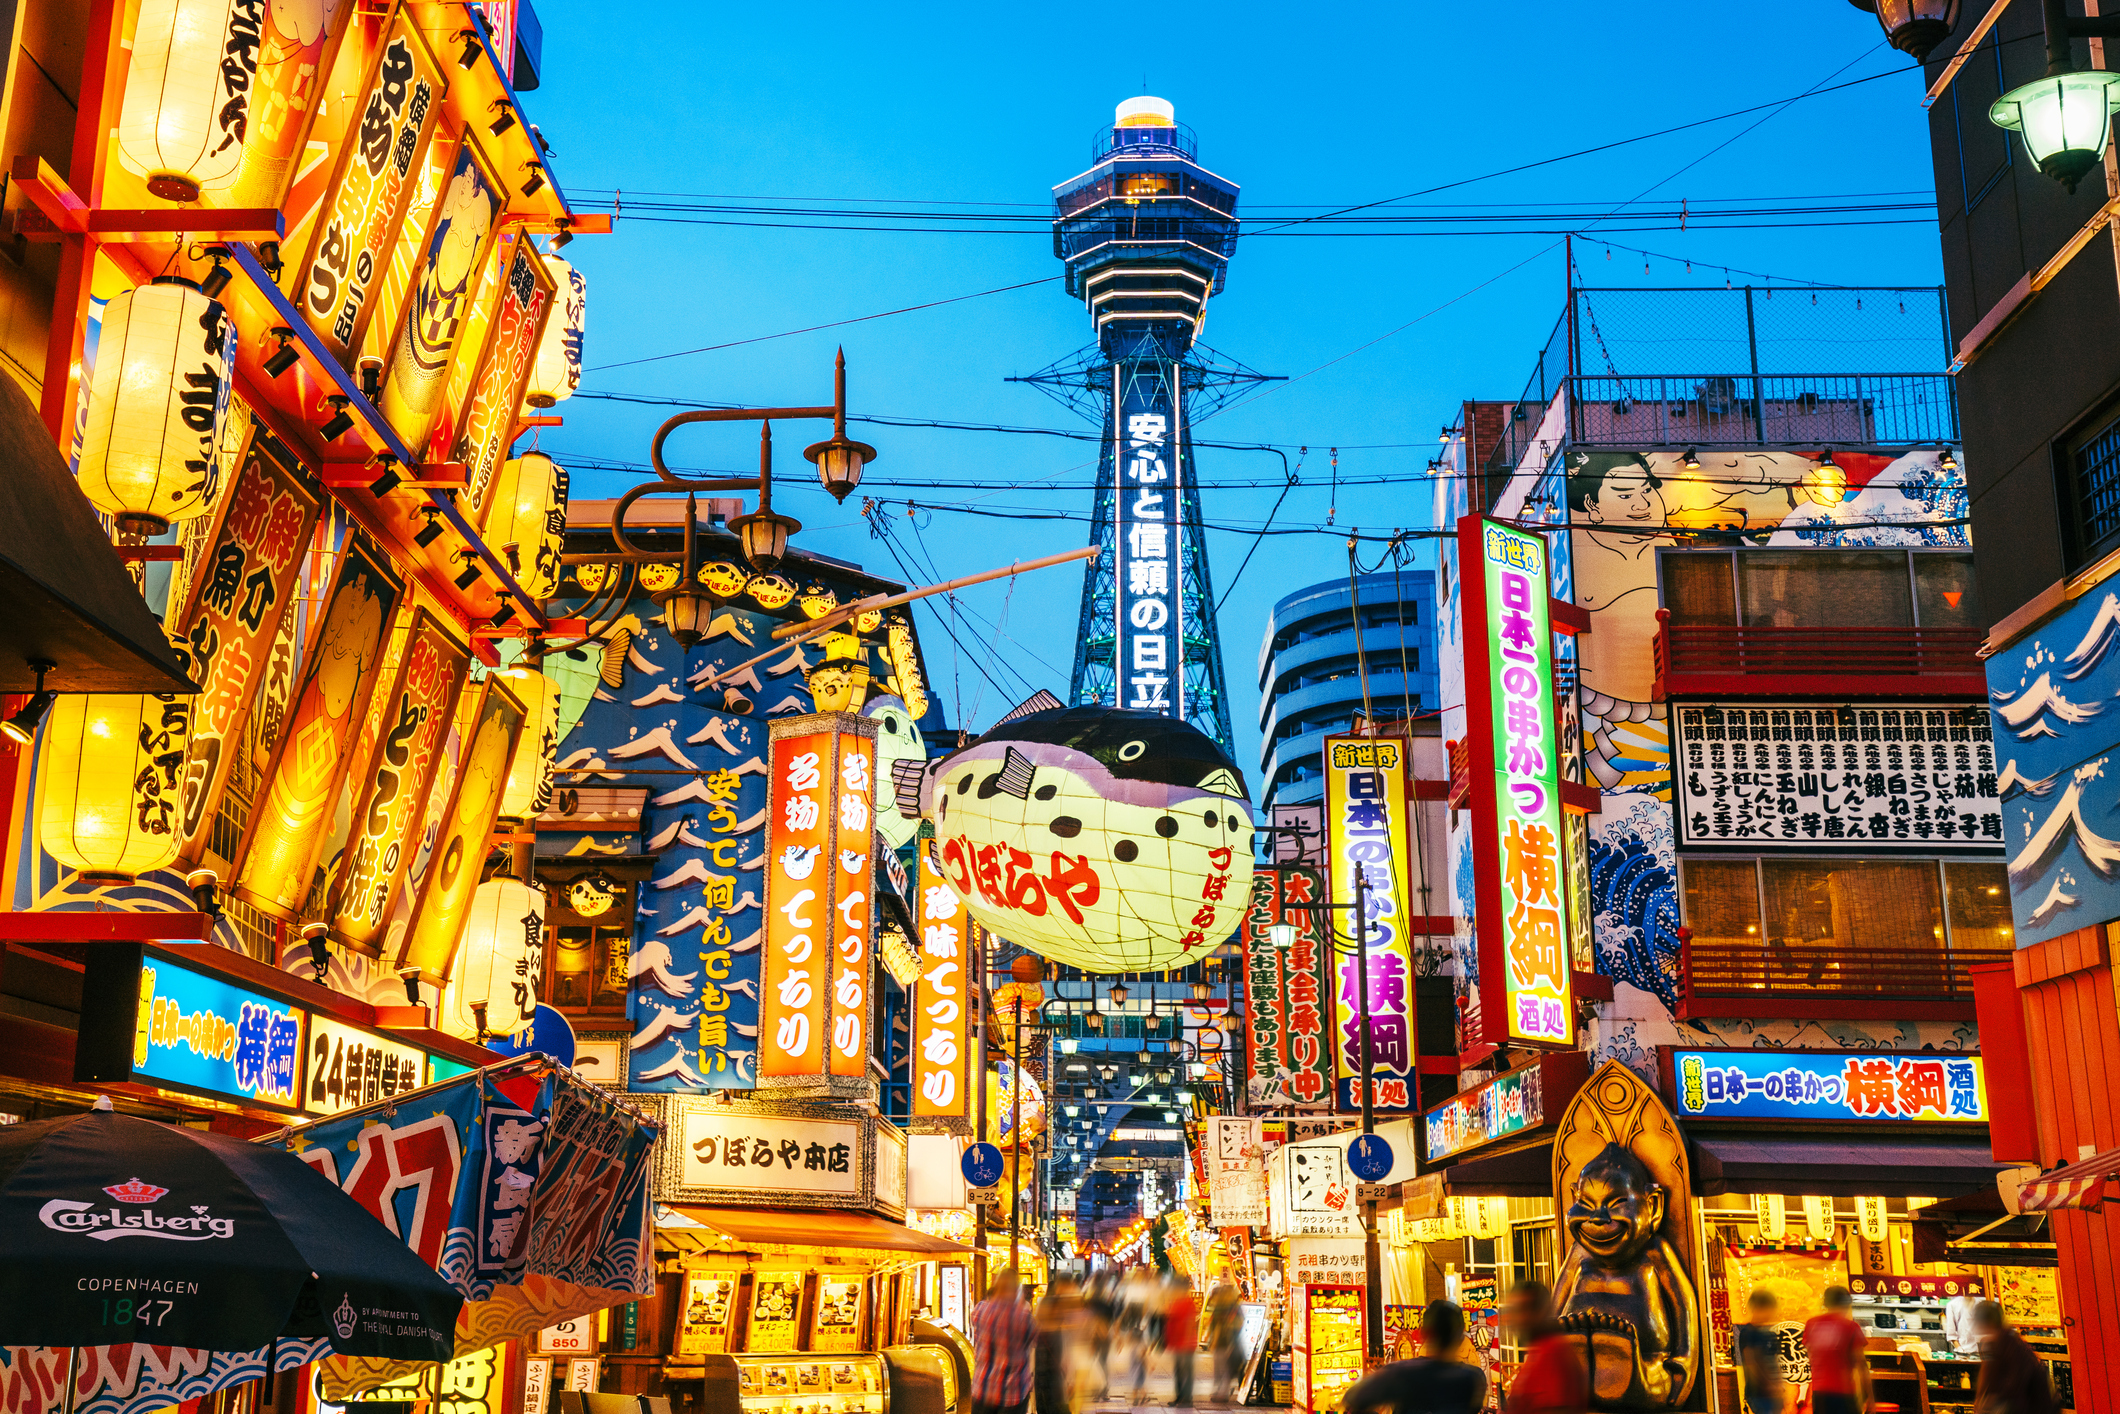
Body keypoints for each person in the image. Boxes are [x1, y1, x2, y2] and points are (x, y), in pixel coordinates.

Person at [1341, 1300, 1488, 1414]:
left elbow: (1353, 1399)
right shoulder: (1474, 1378)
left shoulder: (1399, 1373)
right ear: (1460, 1335)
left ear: (1424, 1333)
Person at [1502, 1281, 1585, 1414]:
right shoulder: (1538, 1352)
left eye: (1519, 1310)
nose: (1511, 1318)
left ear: (1541, 1311)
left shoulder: (1553, 1353)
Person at [1973, 1299, 2057, 1414]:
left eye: (1978, 1322)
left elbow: (2017, 1377)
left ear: (1989, 1322)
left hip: (2032, 1404)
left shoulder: (2008, 1342)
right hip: (2027, 1402)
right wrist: (1981, 1398)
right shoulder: (1996, 1341)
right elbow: (1987, 1372)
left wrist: (1995, 1398)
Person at [972, 1268, 1035, 1414]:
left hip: (982, 1388)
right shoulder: (1023, 1318)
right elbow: (1035, 1337)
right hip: (1012, 1392)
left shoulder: (980, 1310)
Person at [1801, 1286, 1870, 1414]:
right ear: (1847, 1303)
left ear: (1826, 1303)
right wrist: (1870, 1399)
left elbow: (1812, 1359)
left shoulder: (1811, 1324)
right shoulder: (1851, 1327)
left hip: (1820, 1393)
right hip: (1844, 1392)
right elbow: (1861, 1365)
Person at [1733, 1290, 1785, 1414]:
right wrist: (1770, 1387)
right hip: (1759, 1395)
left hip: (1772, 1394)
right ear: (1758, 1308)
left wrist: (1778, 1386)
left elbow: (1773, 1362)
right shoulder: (1749, 1333)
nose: (1772, 1313)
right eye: (1769, 1309)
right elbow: (1752, 1364)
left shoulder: (1768, 1333)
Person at [1034, 1276, 1075, 1414]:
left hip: (1044, 1391)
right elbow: (1068, 1362)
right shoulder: (1062, 1333)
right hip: (1055, 1391)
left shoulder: (1037, 1335)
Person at [1208, 1280, 1244, 1403]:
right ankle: (1220, 1391)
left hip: (1225, 1342)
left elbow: (1215, 1325)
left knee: (1222, 1368)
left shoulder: (1230, 1307)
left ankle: (1221, 1392)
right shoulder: (1231, 1306)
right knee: (1222, 1368)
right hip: (1225, 1341)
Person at [1166, 1279, 1199, 1408]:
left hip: (1186, 1344)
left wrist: (1185, 1340)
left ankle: (1186, 1398)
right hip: (1178, 1343)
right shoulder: (1176, 1301)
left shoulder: (1188, 1302)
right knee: (1179, 1371)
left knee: (1186, 1371)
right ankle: (1180, 1396)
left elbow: (1190, 1322)